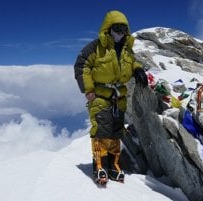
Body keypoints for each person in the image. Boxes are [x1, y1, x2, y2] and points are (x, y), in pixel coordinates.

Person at [74, 10, 148, 184]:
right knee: (102, 130)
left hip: (118, 97)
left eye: (124, 29)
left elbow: (132, 62)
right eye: (117, 28)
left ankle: (114, 166)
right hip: (99, 95)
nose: (120, 32)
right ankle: (100, 165)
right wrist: (88, 88)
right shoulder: (95, 48)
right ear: (108, 28)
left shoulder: (126, 50)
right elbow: (81, 66)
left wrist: (137, 69)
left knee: (116, 132)